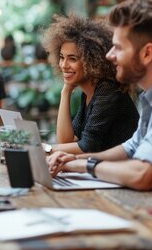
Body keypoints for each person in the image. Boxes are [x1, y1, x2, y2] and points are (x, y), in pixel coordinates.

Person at [48, 0, 152, 208]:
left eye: (118, 48)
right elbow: (129, 149)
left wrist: (86, 165)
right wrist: (73, 162)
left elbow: (143, 174)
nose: (110, 56)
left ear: (147, 53)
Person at [42, 15, 139, 154]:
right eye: (62, 57)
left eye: (72, 59)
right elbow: (66, 140)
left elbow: (87, 146)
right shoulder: (88, 93)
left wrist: (45, 148)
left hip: (121, 171)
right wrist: (66, 91)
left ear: (91, 61)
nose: (63, 65)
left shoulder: (108, 90)